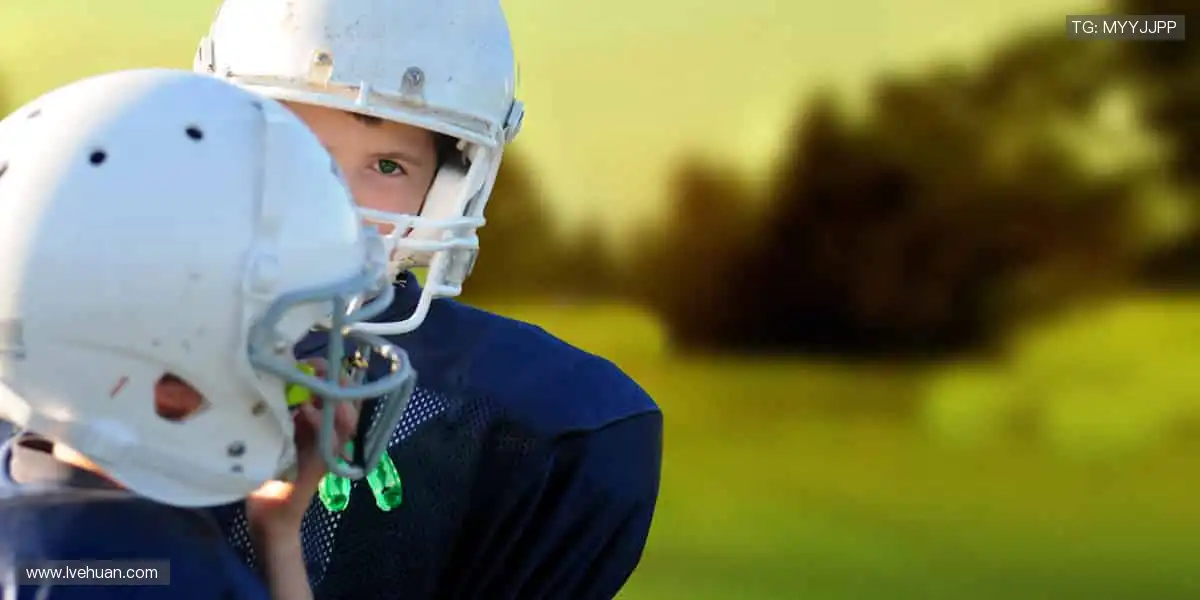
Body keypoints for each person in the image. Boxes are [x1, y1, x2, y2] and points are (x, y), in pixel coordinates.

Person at [194, 0, 664, 598]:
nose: (335, 201)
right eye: (297, 148)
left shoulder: (531, 422)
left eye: (387, 165)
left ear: (446, 188)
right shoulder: (111, 340)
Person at [0, 68, 417, 599]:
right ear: (167, 365)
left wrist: (277, 533)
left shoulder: (50, 509)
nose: (303, 362)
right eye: (282, 336)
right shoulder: (135, 569)